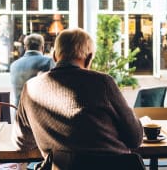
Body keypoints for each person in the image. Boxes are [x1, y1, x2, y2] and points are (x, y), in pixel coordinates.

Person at [12, 28, 143, 169]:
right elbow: (135, 138)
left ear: (55, 56)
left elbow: (22, 143)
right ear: (88, 58)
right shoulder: (103, 83)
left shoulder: (31, 88)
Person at [10, 33, 55, 106]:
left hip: (18, 113)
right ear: (42, 47)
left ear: (25, 48)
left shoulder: (14, 65)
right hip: (39, 113)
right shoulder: (48, 62)